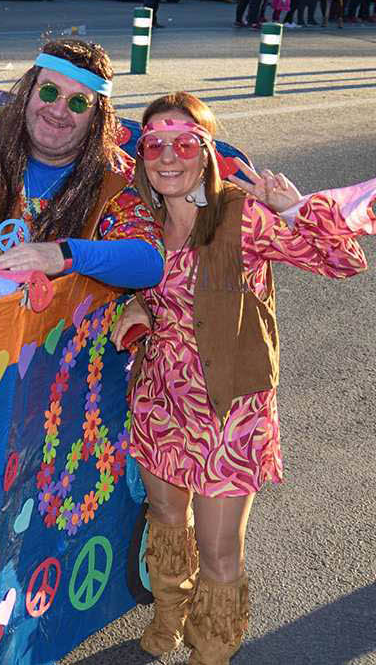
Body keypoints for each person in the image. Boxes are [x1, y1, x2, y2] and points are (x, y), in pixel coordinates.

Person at [113, 92, 369, 665]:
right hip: (160, 402)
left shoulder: (240, 214)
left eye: (185, 144)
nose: (169, 156)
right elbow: (144, 291)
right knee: (165, 521)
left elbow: (344, 263)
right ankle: (168, 614)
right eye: (155, 144)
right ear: (142, 155)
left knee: (220, 551)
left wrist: (295, 210)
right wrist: (136, 309)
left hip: (231, 413)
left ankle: (211, 651)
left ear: (206, 152)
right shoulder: (139, 221)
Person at [0, 39, 164, 313]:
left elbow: (148, 262)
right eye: (50, 92)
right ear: (29, 92)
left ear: (95, 117)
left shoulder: (116, 177)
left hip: (50, 346)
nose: (58, 111)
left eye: (78, 103)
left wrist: (64, 254)